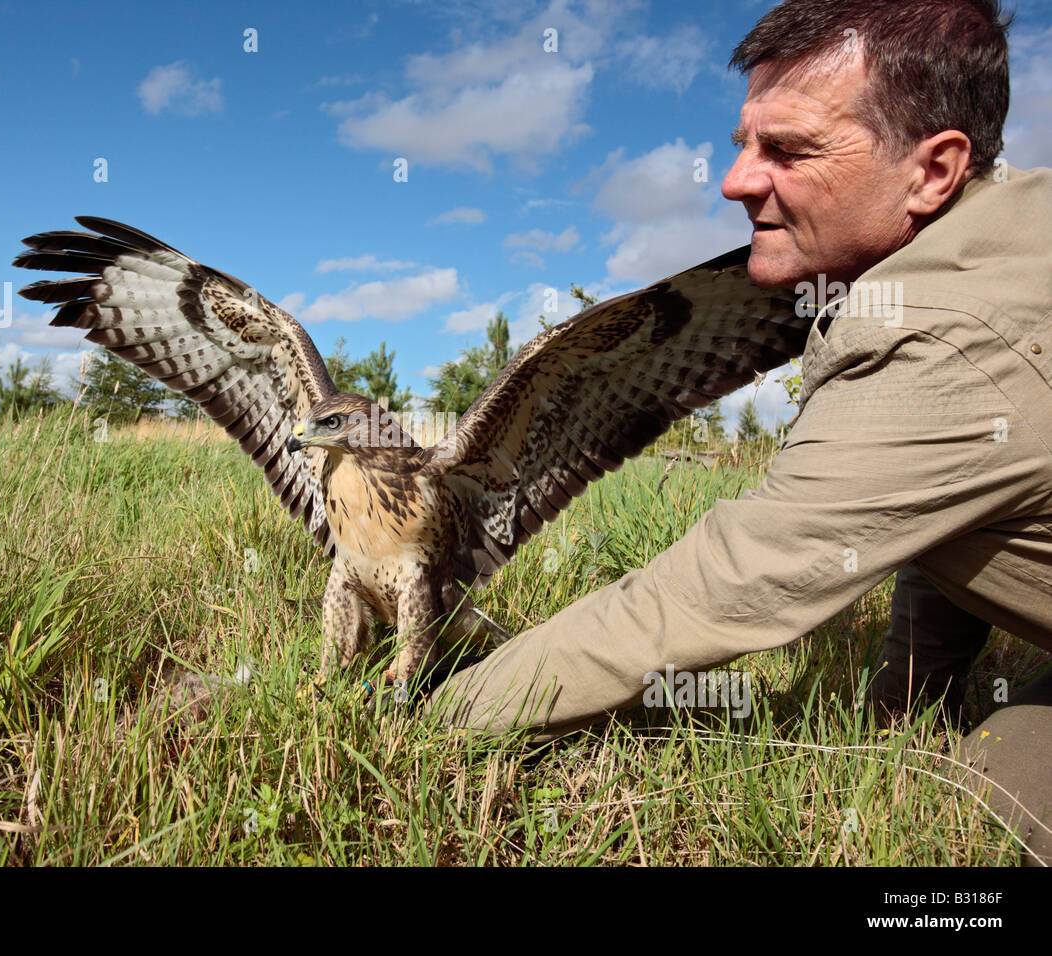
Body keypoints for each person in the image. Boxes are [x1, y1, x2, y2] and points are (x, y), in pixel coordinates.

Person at [425, 0, 1052, 866]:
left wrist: (434, 717)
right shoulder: (1003, 233)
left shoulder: (943, 336)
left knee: (991, 796)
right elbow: (953, 511)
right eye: (742, 144)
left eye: (789, 150)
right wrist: (907, 713)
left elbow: (715, 591)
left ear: (933, 169)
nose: (734, 181)